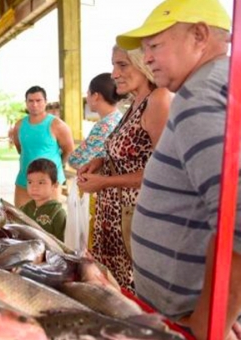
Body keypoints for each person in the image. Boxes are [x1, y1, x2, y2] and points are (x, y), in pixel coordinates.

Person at [116, 0, 241, 338]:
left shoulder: (198, 98)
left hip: (188, 320)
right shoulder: (219, 84)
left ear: (199, 35)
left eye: (155, 45)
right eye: (144, 50)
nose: (148, 58)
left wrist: (213, 318)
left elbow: (238, 213)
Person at [77, 47, 171, 291]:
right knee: (111, 290)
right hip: (114, 217)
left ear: (143, 64)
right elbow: (131, 154)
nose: (114, 74)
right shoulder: (133, 103)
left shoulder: (158, 99)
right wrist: (102, 161)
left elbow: (162, 172)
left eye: (122, 65)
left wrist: (105, 182)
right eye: (113, 65)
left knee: (132, 291)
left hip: (134, 214)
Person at [11, 86, 74, 207]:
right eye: (31, 101)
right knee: (22, 219)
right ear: (26, 103)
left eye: (38, 100)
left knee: (47, 221)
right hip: (24, 180)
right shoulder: (19, 125)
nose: (34, 104)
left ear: (45, 101)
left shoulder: (57, 125)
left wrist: (52, 166)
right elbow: (20, 149)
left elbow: (69, 150)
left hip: (49, 181)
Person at [68, 73, 124, 169]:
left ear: (95, 96)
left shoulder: (104, 126)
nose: (87, 98)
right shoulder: (120, 118)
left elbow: (77, 160)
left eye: (88, 94)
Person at [19, 158, 66, 241]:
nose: (34, 187)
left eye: (41, 182)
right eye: (30, 182)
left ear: (54, 185)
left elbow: (63, 244)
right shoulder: (24, 209)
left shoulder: (57, 213)